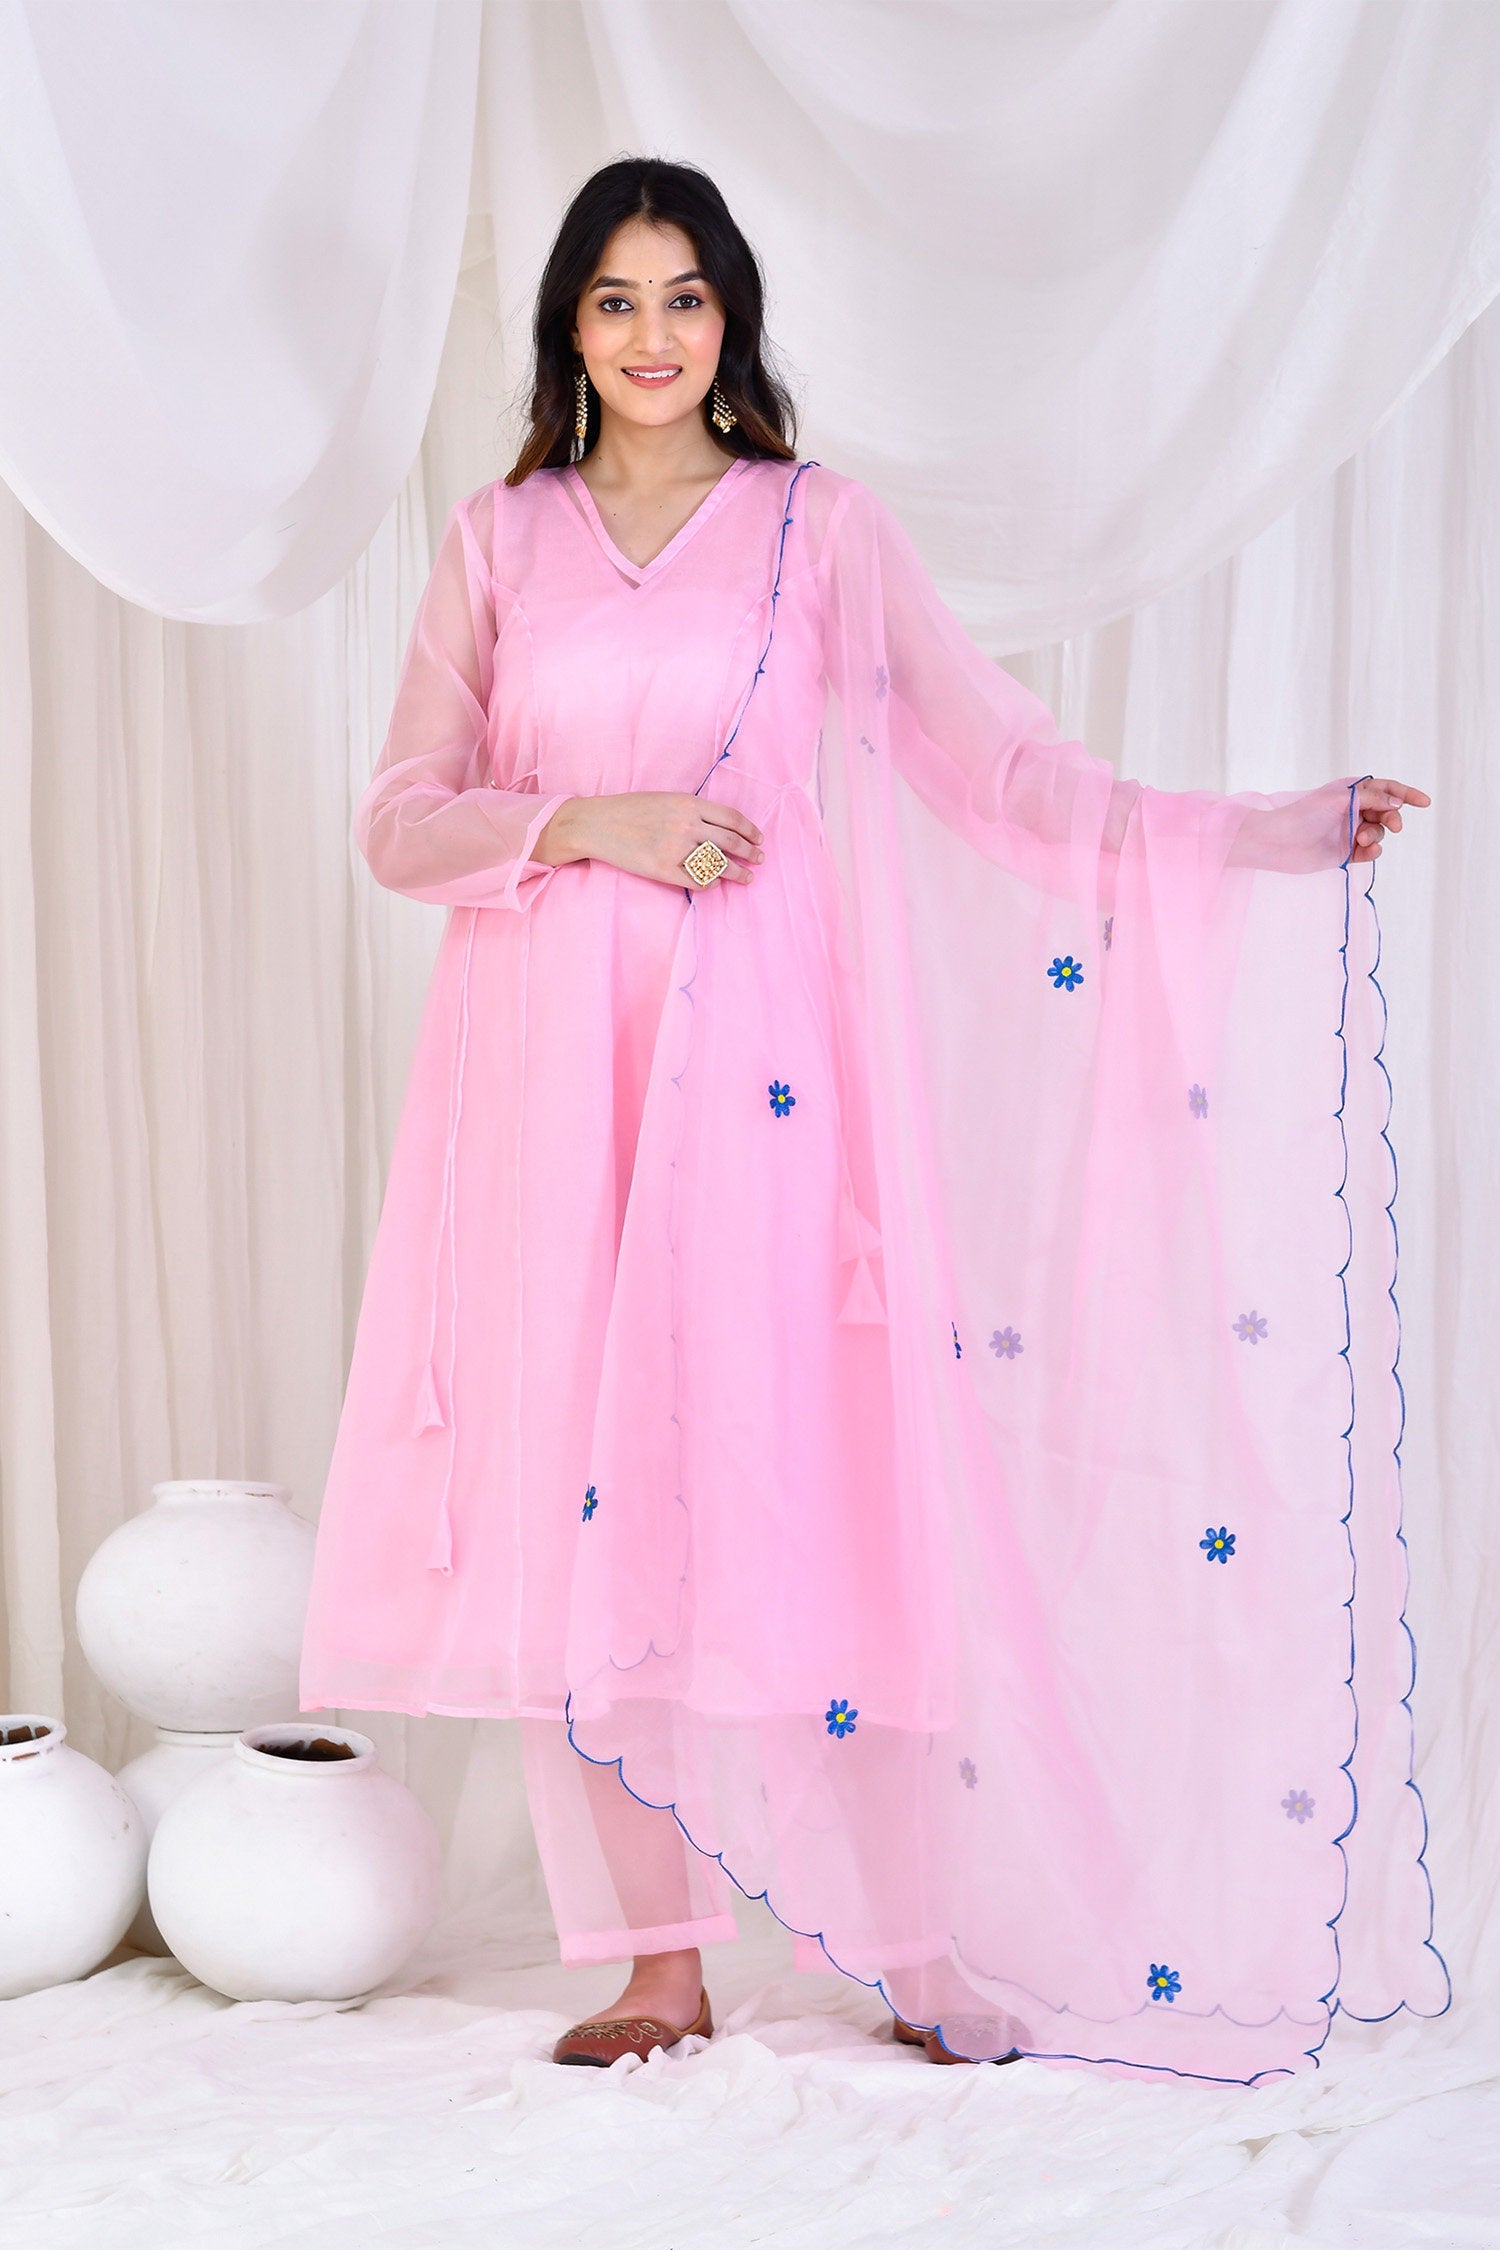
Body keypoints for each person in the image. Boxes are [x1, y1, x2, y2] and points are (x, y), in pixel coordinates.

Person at [299, 158, 1440, 2079]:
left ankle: (910, 1941)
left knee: (808, 1477)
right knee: (583, 1489)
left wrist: (1256, 832)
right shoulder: (502, 539)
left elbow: (999, 764)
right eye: (613, 300)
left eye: (684, 297)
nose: (652, 335)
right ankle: (657, 1960)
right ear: (566, 327)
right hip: (551, 1083)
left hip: (757, 1077)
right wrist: (591, 821)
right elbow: (401, 819)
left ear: (729, 316)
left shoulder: (814, 529)